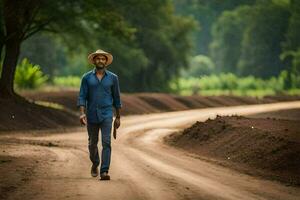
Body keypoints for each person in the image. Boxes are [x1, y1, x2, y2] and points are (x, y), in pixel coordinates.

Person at [77, 49, 122, 181]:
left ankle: (104, 171)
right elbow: (82, 97)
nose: (100, 61)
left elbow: (117, 98)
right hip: (91, 114)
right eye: (98, 59)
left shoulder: (113, 78)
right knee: (92, 143)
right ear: (94, 61)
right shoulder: (86, 78)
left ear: (106, 61)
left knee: (106, 142)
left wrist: (118, 117)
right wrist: (81, 114)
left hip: (107, 114)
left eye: (103, 59)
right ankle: (95, 162)